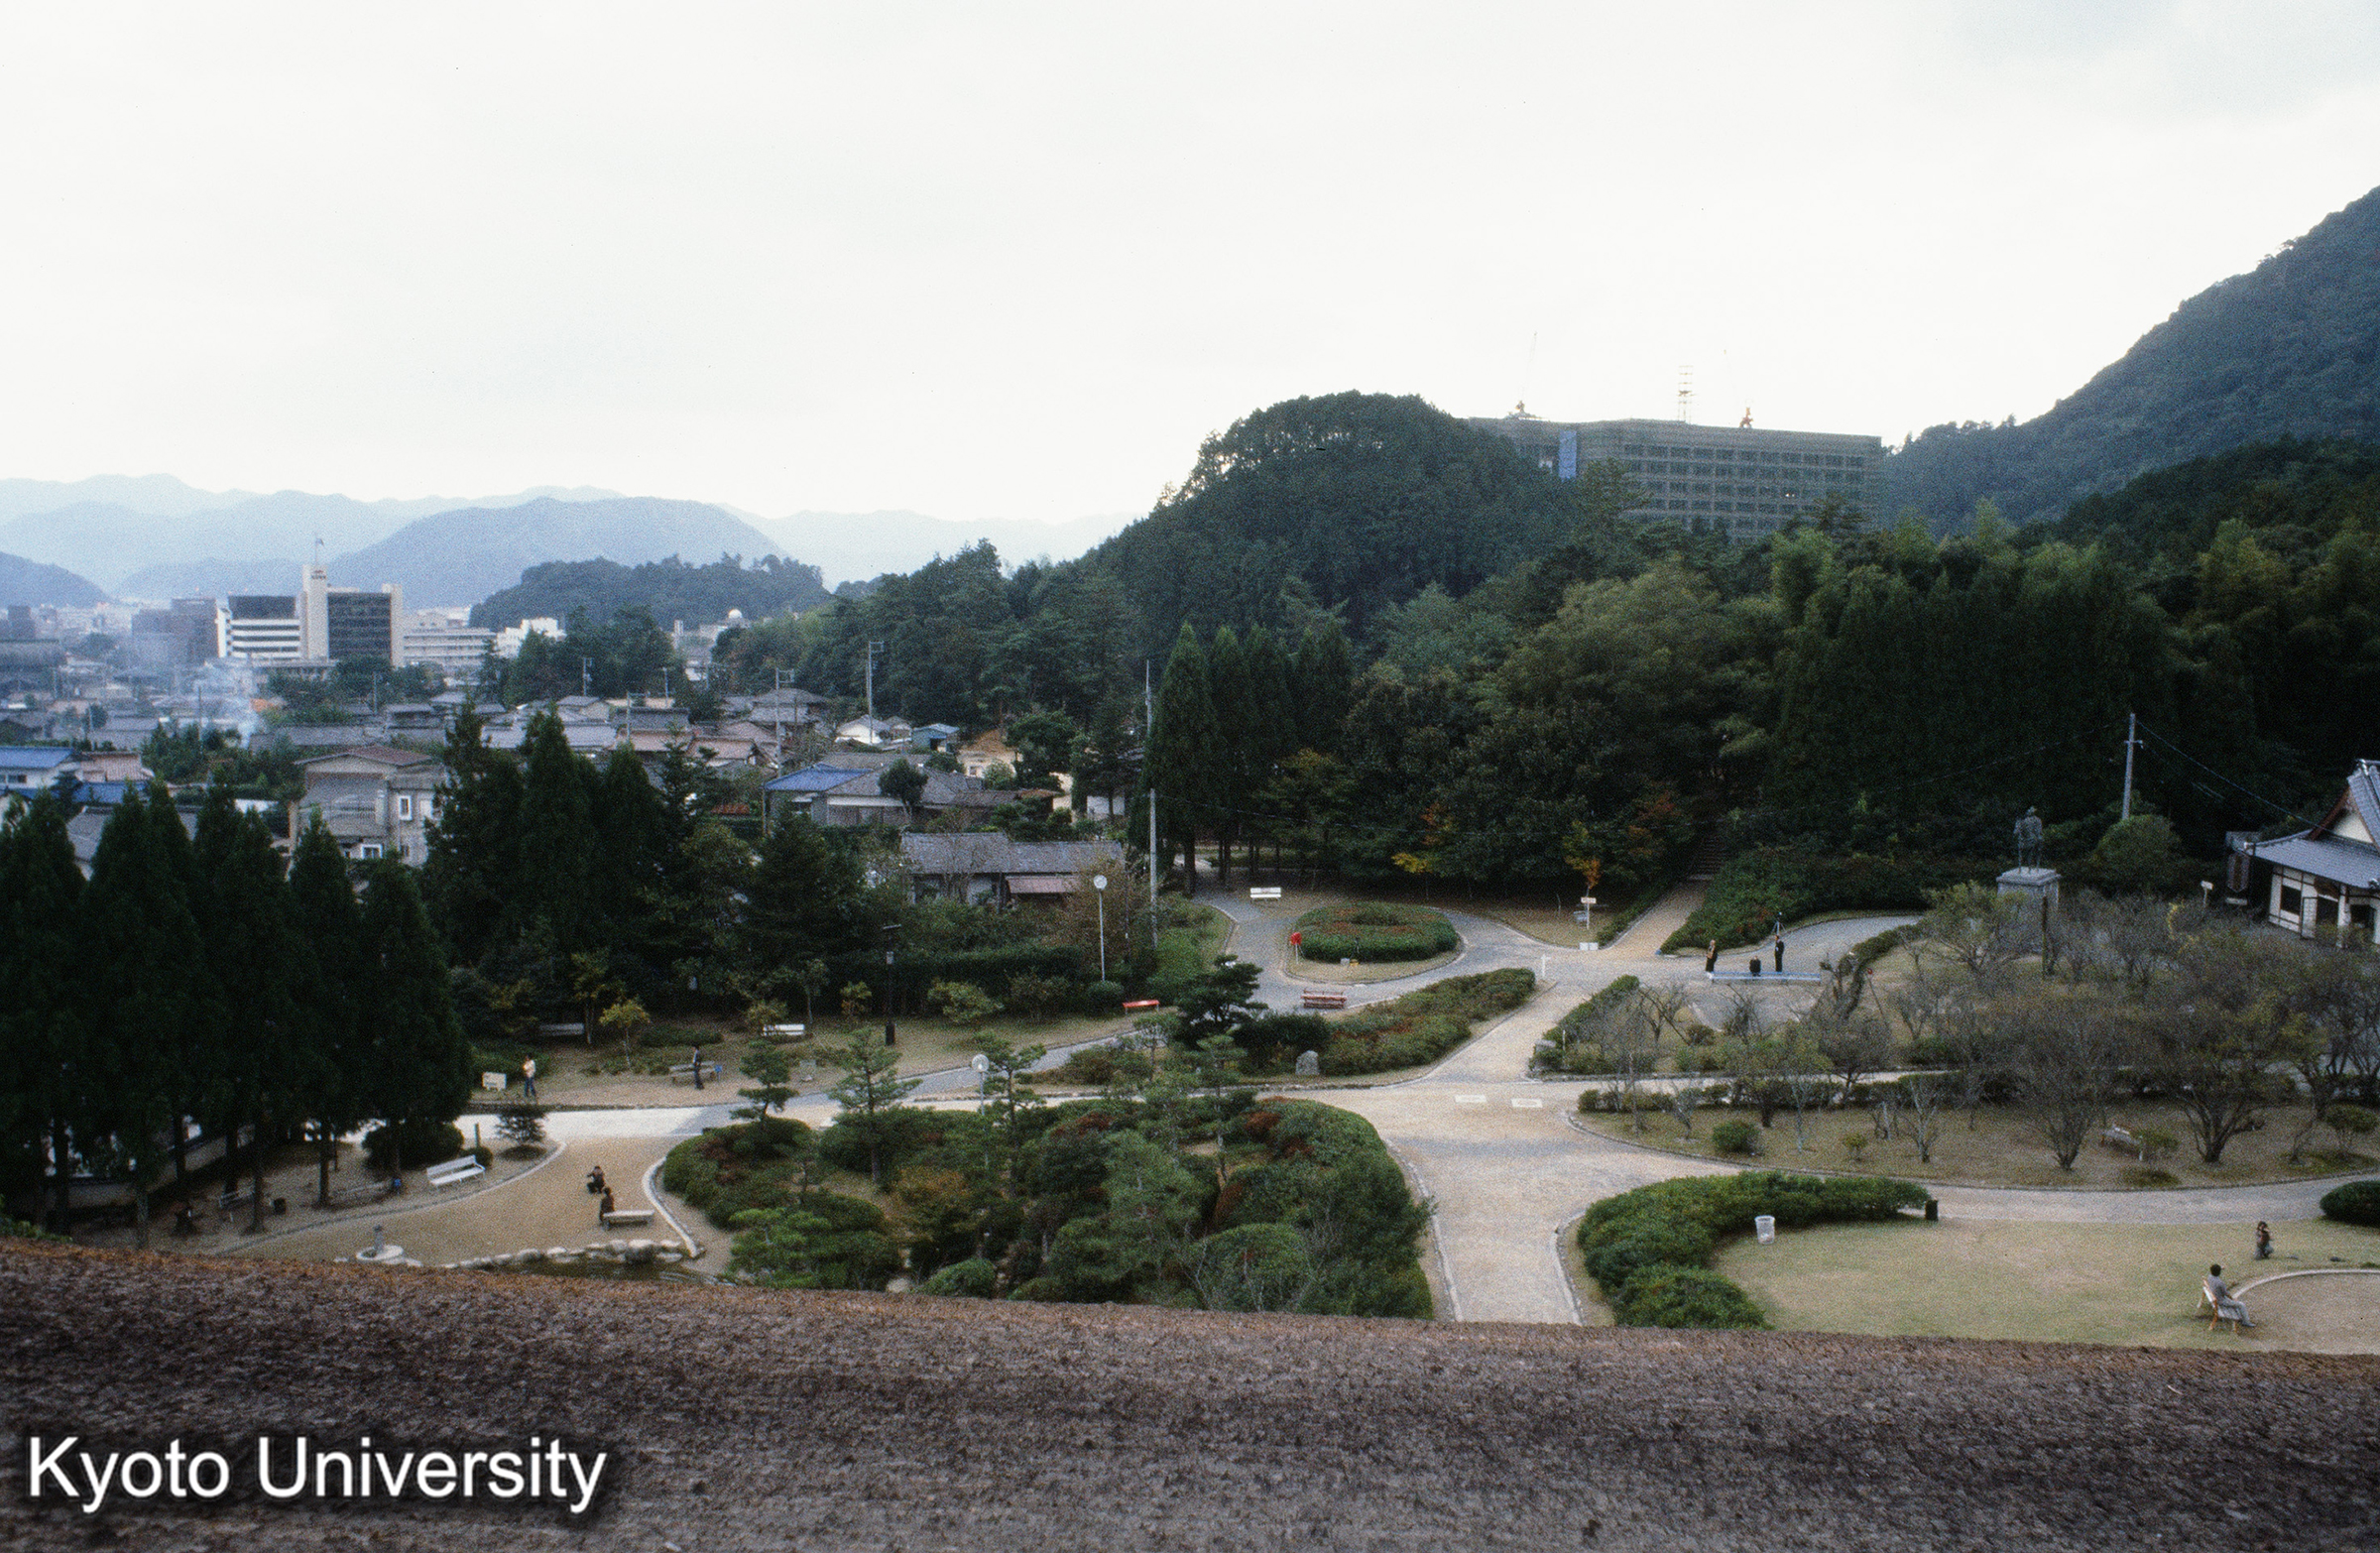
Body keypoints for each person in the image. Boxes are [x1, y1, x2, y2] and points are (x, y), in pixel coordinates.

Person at [2203, 1263, 2255, 1333]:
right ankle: (2246, 1322)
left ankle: (2242, 1317)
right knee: (2241, 1305)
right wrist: (2233, 1300)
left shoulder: (2210, 1277)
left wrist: (2221, 1268)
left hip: (2215, 1297)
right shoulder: (2220, 1283)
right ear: (2219, 1272)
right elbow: (2226, 1294)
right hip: (2221, 1301)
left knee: (2237, 1305)